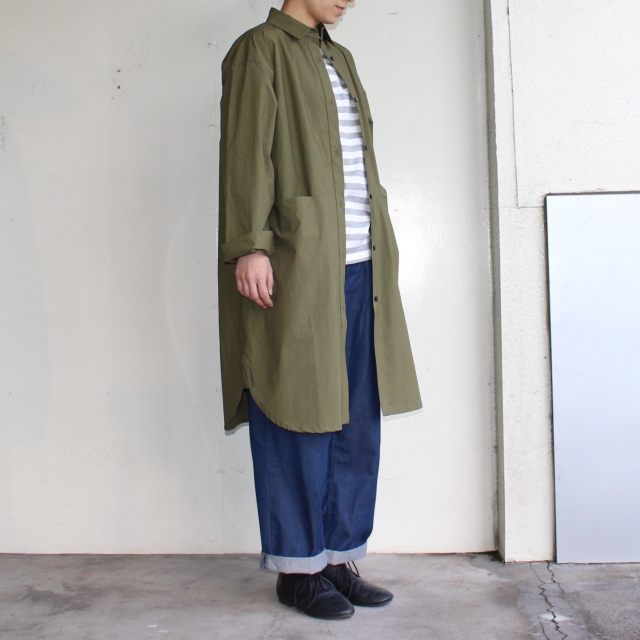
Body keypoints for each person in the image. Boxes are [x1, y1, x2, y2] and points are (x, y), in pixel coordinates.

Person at [217, 0, 422, 621]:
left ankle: (336, 558)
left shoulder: (341, 57)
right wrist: (249, 245)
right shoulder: (260, 49)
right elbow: (247, 154)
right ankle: (297, 569)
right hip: (298, 265)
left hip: (361, 263)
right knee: (294, 411)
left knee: (355, 419)